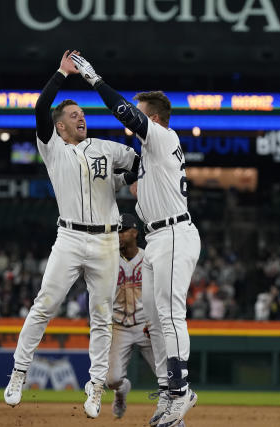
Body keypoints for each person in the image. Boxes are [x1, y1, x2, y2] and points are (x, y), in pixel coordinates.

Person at [3, 50, 139, 419]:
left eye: (82, 114)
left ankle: (95, 387)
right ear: (59, 126)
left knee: (100, 315)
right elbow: (41, 107)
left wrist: (135, 179)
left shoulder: (106, 149)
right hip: (70, 238)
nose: (80, 117)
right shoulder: (53, 149)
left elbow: (137, 163)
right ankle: (18, 372)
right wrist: (61, 74)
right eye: (73, 116)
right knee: (44, 305)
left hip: (107, 241)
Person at [72, 54, 201, 427]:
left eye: (142, 114)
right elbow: (127, 176)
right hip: (158, 237)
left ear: (154, 119)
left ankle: (181, 391)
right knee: (156, 321)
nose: (134, 119)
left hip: (175, 231)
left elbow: (126, 113)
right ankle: (167, 392)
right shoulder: (148, 156)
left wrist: (95, 81)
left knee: (171, 314)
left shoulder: (162, 137)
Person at [107, 213, 166, 419]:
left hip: (146, 324)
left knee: (166, 375)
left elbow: (161, 290)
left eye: (123, 231)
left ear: (134, 232)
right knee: (112, 380)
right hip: (119, 325)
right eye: (117, 231)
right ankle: (121, 392)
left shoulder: (148, 257)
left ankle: (174, 416)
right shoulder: (109, 260)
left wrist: (157, 320)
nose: (119, 235)